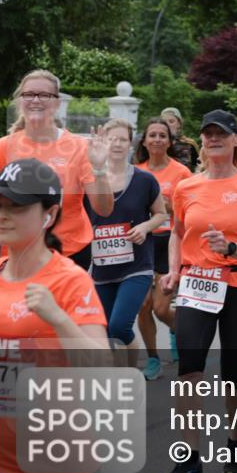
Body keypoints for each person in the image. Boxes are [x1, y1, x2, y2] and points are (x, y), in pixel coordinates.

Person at [0, 158, 109, 473]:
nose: (0, 216)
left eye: (16, 207)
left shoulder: (70, 280)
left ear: (49, 214)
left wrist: (58, 318)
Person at [159, 110, 237, 473]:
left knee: (234, 377)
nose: (213, 139)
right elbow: (177, 233)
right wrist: (174, 270)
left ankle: (236, 441)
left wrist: (232, 247)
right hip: (196, 286)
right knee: (189, 371)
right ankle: (189, 461)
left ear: (236, 140)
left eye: (221, 134)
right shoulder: (187, 187)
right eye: (207, 134)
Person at [0, 69, 113, 271]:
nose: (35, 100)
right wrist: (20, 208)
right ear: (20, 101)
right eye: (29, 94)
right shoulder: (4, 146)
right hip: (18, 254)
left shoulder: (79, 147)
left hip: (70, 253)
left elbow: (104, 209)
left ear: (57, 103)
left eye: (44, 95)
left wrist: (100, 169)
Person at [86, 119, 166, 370]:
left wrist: (144, 227)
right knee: (107, 331)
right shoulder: (89, 180)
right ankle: (124, 376)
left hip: (137, 266)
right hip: (101, 268)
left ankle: (132, 374)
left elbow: (162, 214)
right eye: (112, 138)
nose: (117, 144)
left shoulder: (144, 180)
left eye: (123, 139)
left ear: (131, 142)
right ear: (103, 142)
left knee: (120, 326)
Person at [134, 117, 193, 380]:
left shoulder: (181, 173)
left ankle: (183, 332)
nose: (157, 139)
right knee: (143, 306)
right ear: (144, 141)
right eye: (152, 135)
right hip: (140, 243)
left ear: (170, 141)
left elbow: (193, 211)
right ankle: (154, 359)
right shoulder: (135, 171)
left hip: (168, 241)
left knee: (160, 308)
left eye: (162, 135)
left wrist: (170, 208)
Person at [161, 107, 200, 172]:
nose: (167, 125)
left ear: (179, 124)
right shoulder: (156, 143)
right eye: (164, 122)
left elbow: (200, 165)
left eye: (171, 121)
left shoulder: (189, 144)